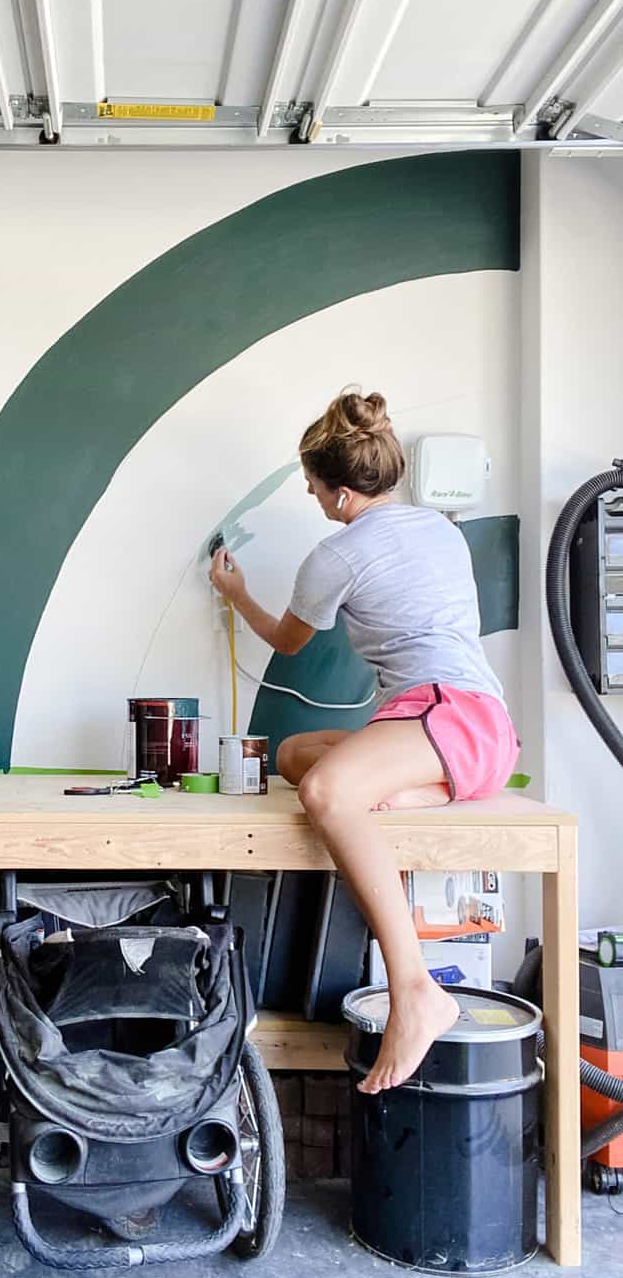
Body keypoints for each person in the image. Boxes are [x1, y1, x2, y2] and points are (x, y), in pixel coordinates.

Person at [209, 389, 518, 1094]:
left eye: (314, 486)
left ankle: (416, 991)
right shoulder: (440, 529)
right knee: (291, 756)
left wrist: (236, 593)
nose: (312, 496)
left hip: (446, 715)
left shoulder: (336, 554)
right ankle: (405, 795)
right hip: (474, 731)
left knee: (322, 789)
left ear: (343, 493)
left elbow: (289, 641)